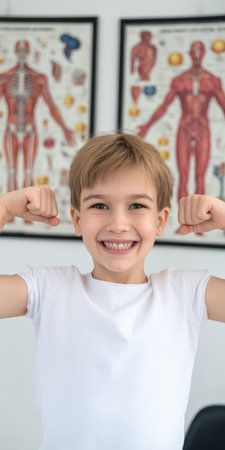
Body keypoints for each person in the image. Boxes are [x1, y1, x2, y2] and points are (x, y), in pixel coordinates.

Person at [0, 133, 225, 450]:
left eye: (136, 205)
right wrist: (6, 207)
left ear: (160, 221)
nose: (119, 224)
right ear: (77, 220)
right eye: (100, 205)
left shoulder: (185, 293)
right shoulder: (49, 289)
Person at [137, 41, 225, 200]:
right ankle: (183, 222)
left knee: (200, 178)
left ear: (204, 53)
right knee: (183, 179)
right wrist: (147, 126)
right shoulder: (179, 80)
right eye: (194, 51)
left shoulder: (213, 80)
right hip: (184, 128)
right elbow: (164, 105)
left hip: (203, 129)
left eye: (200, 51)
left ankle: (199, 223)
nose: (197, 55)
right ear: (190, 54)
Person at [0, 39, 75, 192]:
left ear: (28, 53)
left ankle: (27, 216)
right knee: (11, 172)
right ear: (16, 53)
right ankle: (9, 216)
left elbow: (52, 106)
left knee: (28, 172)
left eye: (24, 51)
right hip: (11, 128)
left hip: (30, 129)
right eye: (19, 51)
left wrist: (64, 128)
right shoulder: (5, 78)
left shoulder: (39, 78)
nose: (22, 54)